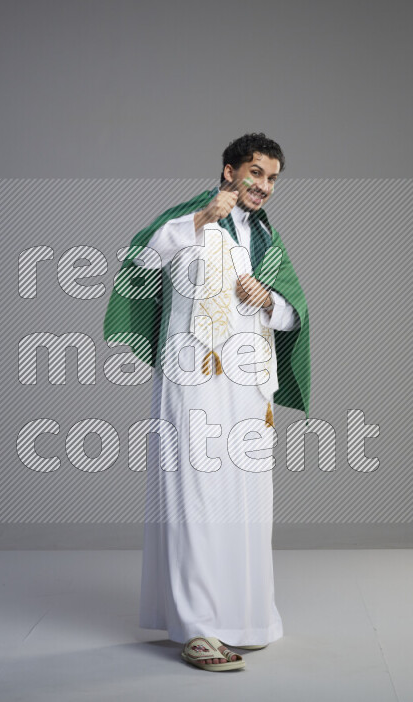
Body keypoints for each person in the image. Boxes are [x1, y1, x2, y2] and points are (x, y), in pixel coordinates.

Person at [103, 133, 311, 671]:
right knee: (194, 498)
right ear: (228, 172)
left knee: (246, 501)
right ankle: (198, 629)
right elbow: (139, 263)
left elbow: (295, 312)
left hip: (247, 387)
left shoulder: (266, 241)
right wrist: (200, 219)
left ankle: (244, 619)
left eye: (271, 179)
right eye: (256, 174)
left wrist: (271, 299)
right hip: (192, 381)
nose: (264, 187)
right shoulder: (185, 223)